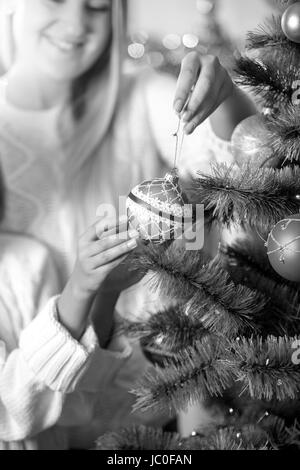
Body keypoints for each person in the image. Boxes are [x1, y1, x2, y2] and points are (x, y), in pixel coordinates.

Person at [0, 0, 256, 448]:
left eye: (98, 6)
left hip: (152, 419)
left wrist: (226, 99)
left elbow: (237, 174)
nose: (78, 23)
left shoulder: (142, 96)